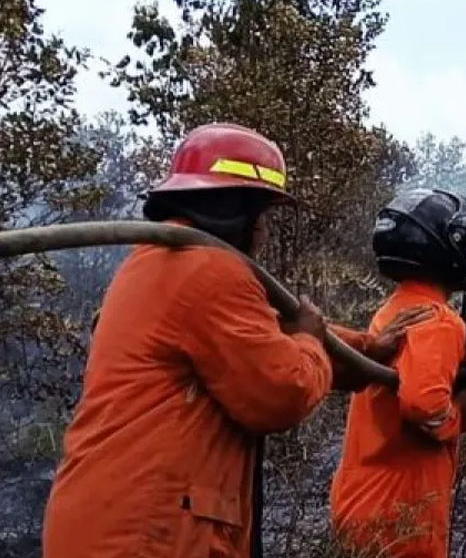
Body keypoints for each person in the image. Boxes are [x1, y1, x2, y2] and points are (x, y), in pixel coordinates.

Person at [41, 122, 423, 558]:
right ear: (233, 211)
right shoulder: (210, 271)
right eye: (261, 216)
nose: (263, 232)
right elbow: (282, 390)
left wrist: (365, 347)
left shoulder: (156, 266)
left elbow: (265, 335)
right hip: (149, 532)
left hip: (108, 520)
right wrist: (311, 341)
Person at [330, 189, 466, 558]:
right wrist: (462, 405)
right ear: (443, 250)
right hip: (401, 515)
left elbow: (411, 390)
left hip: (362, 501)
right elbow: (424, 408)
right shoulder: (439, 320)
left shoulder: (396, 310)